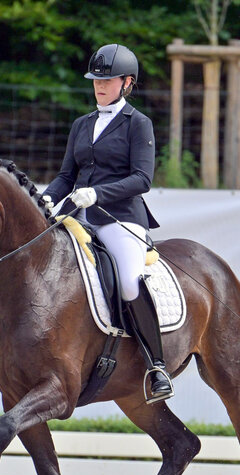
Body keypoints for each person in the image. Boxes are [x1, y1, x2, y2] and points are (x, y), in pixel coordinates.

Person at [42, 43, 173, 403]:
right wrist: (48, 197)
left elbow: (142, 179)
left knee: (130, 281)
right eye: (96, 80)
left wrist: (98, 195)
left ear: (127, 83)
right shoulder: (81, 125)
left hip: (120, 218)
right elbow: (66, 175)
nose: (99, 85)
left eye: (108, 80)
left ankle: (156, 365)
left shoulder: (138, 123)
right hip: (78, 213)